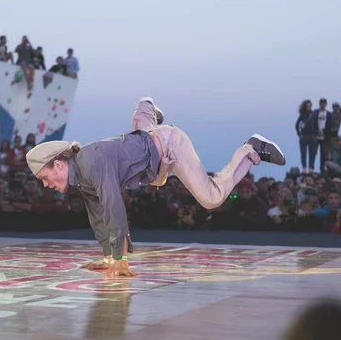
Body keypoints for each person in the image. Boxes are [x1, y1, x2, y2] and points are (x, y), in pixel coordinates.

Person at [25, 97, 286, 277]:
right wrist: (108, 259)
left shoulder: (92, 164)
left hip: (170, 147)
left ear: (59, 165)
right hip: (151, 158)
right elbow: (97, 214)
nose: (46, 185)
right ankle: (146, 106)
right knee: (146, 145)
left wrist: (121, 259)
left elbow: (113, 208)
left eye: (45, 178)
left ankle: (251, 149)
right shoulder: (80, 175)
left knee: (211, 198)